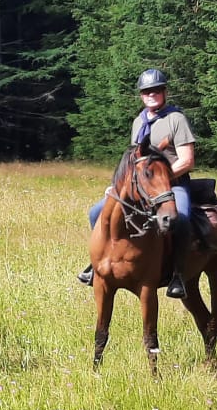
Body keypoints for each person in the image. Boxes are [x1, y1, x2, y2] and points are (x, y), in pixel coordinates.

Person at [78, 68, 197, 299]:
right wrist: (117, 186)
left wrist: (160, 181)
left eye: (156, 90)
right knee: (96, 212)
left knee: (180, 219)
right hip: (140, 188)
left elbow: (187, 160)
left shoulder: (176, 119)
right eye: (146, 91)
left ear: (164, 92)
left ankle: (178, 275)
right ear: (141, 95)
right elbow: (133, 162)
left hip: (172, 185)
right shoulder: (138, 122)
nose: (151, 95)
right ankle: (97, 263)